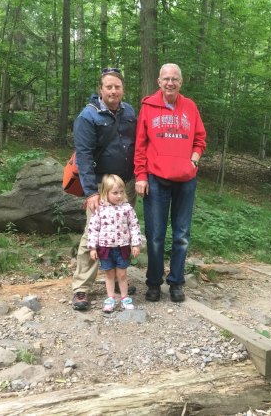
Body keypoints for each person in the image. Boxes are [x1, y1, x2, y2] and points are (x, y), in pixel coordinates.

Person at [134, 63, 206, 303]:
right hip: (156, 178)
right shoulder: (148, 106)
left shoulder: (190, 107)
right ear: (159, 81)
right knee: (155, 235)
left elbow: (200, 139)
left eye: (175, 79)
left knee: (181, 235)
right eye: (166, 79)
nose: (170, 83)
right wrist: (141, 176)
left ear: (180, 82)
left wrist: (193, 161)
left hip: (185, 181)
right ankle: (154, 283)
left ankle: (176, 282)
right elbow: (141, 144)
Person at [72, 68, 137, 311]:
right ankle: (81, 288)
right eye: (108, 87)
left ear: (122, 89)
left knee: (123, 233)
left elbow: (136, 145)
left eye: (117, 87)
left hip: (125, 184)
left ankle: (120, 284)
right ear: (101, 89)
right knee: (93, 235)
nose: (113, 91)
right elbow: (84, 157)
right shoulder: (87, 117)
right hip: (100, 185)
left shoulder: (129, 111)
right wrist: (90, 193)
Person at [87, 174, 141, 312]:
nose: (119, 196)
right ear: (106, 192)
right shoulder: (99, 209)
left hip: (122, 247)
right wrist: (92, 248)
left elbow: (134, 226)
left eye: (121, 192)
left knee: (122, 274)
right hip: (105, 248)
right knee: (109, 274)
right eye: (115, 193)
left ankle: (125, 297)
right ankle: (110, 298)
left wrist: (135, 244)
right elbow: (93, 229)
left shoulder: (127, 208)